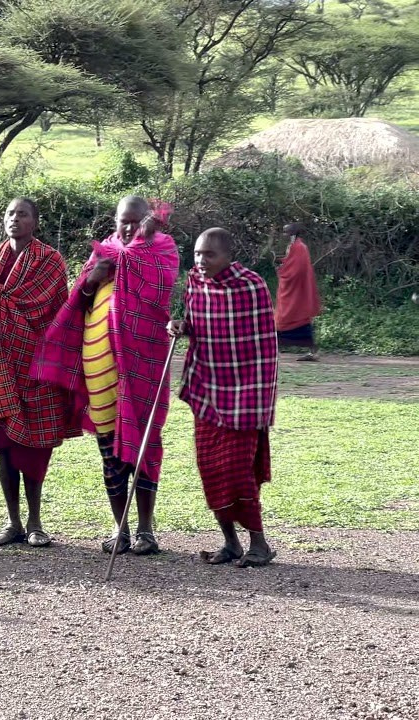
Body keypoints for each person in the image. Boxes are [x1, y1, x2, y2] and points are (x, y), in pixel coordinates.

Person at [33, 196, 178, 556]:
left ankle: (146, 529)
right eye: (122, 221)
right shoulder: (104, 252)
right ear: (114, 221)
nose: (128, 228)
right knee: (109, 448)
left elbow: (161, 288)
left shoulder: (162, 249)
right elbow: (78, 300)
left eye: (135, 221)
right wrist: (94, 278)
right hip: (98, 364)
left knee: (144, 444)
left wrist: (135, 248)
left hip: (143, 364)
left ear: (147, 221)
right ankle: (120, 528)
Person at [0, 198, 76, 549]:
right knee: (5, 444)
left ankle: (35, 521)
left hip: (38, 363)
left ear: (35, 222)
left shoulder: (50, 261)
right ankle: (13, 521)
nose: (15, 219)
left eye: (23, 214)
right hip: (0, 360)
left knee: (34, 445)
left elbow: (56, 311)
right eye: (10, 213)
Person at [170, 228, 279, 568]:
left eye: (209, 254)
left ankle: (259, 544)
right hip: (207, 389)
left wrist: (256, 395)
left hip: (244, 395)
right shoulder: (195, 283)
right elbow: (195, 324)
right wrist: (180, 326)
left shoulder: (251, 286)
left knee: (237, 471)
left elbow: (263, 344)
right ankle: (231, 542)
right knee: (211, 469)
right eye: (197, 254)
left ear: (228, 256)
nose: (201, 261)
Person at [275, 222, 321, 361]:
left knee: (297, 317)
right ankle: (274, 348)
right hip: (290, 289)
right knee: (282, 318)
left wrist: (283, 272)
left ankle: (312, 351)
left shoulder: (300, 247)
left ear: (293, 232)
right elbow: (291, 263)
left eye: (286, 231)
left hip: (297, 290)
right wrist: (282, 264)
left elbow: (299, 270)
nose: (284, 234)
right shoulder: (293, 246)